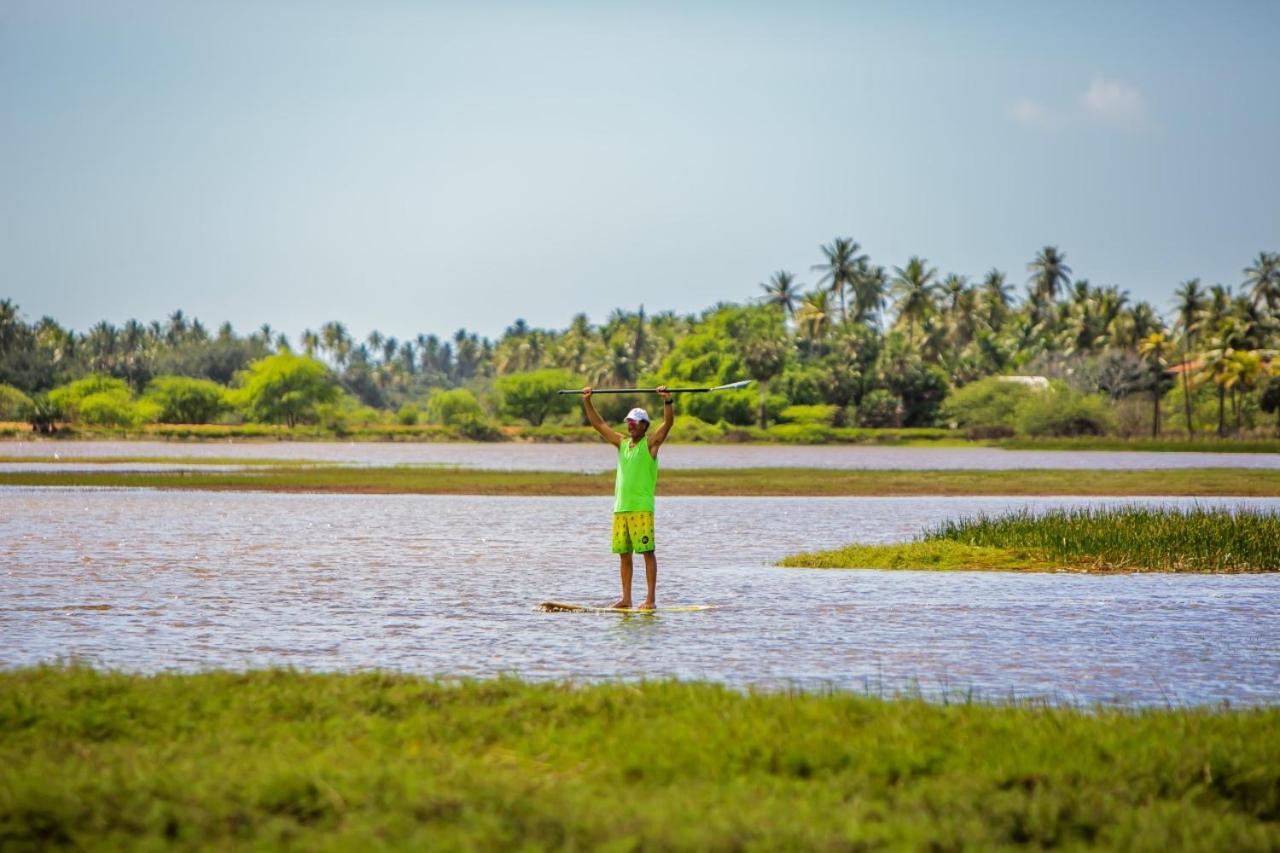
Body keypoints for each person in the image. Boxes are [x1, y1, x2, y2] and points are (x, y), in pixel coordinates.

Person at [581, 384, 674, 609]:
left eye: (635, 422)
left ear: (644, 425)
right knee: (624, 554)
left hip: (641, 508)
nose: (630, 425)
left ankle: (650, 600)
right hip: (621, 508)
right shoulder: (622, 444)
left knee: (647, 553)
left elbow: (668, 424)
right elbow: (599, 424)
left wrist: (667, 401)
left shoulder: (650, 444)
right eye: (628, 422)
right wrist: (587, 401)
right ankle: (627, 598)